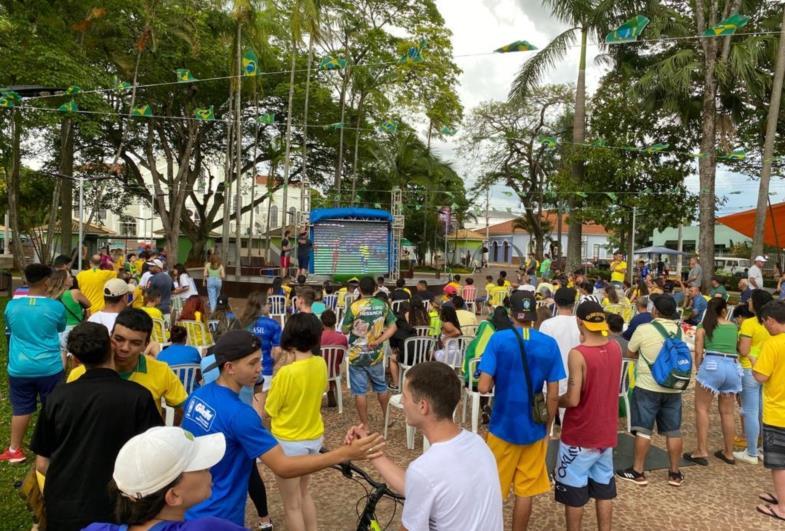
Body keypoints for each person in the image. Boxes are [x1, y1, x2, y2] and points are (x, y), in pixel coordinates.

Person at [180, 330, 385, 526]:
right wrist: (344, 453)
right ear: (230, 367)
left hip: (191, 506)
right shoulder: (240, 414)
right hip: (221, 514)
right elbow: (283, 467)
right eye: (252, 363)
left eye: (260, 360)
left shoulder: (198, 395)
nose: (260, 368)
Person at [31, 322, 163, 530]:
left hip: (63, 507)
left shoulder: (58, 397)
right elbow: (156, 454)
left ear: (75, 359)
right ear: (111, 346)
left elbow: (41, 463)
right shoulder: (138, 397)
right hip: (117, 509)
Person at [345, 362, 504, 530]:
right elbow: (424, 487)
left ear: (422, 406)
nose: (402, 402)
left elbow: (424, 482)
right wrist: (370, 449)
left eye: (404, 397)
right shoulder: (477, 443)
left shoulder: (425, 470)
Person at [478, 291, 565, 531]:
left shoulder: (498, 339)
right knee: (525, 491)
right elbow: (554, 393)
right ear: (533, 314)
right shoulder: (549, 344)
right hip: (534, 428)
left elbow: (484, 386)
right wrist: (547, 426)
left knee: (494, 489)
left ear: (510, 313)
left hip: (502, 425)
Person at [83, 426, 244, 531]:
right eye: (200, 466)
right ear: (173, 496)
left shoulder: (94, 529)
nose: (209, 468)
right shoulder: (207, 527)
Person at [556, 302, 622, 531]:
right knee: (604, 490)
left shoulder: (578, 354)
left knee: (574, 492)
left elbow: (573, 399)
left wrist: (554, 400)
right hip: (605, 433)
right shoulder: (615, 348)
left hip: (579, 434)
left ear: (579, 322)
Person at [264, 314, 328, 531]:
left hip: (289, 443)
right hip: (313, 438)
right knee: (304, 493)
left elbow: (270, 409)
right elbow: (322, 392)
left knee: (291, 505)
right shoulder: (320, 362)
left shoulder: (285, 374)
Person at [616, 294, 686, 487]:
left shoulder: (644, 329)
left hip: (648, 385)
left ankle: (638, 471)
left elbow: (630, 352)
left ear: (655, 311)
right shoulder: (679, 331)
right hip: (673, 387)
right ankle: (675, 472)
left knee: (644, 430)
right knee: (673, 431)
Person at [68, 309, 188, 419]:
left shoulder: (161, 371)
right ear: (110, 337)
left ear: (146, 345)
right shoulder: (81, 374)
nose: (125, 348)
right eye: (119, 339)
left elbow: (185, 408)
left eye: (135, 343)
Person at [1, 264, 66, 463]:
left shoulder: (12, 305)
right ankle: (55, 449)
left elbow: (10, 328)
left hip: (20, 367)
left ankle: (15, 449)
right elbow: (60, 327)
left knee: (21, 408)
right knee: (52, 409)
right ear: (47, 282)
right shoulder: (55, 306)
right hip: (49, 367)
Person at [683, 298, 741, 467]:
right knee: (728, 413)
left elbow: (698, 352)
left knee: (702, 409)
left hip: (712, 364)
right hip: (732, 366)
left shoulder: (703, 327)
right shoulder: (733, 326)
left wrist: (699, 369)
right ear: (724, 310)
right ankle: (729, 453)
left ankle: (702, 450)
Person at [342, 276, 398, 428]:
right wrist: (380, 340)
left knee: (360, 391)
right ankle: (386, 419)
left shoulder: (354, 307)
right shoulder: (383, 305)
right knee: (381, 387)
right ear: (375, 289)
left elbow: (344, 329)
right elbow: (393, 327)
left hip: (357, 354)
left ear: (359, 289)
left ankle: (365, 425)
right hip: (376, 354)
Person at [751, 301, 785, 521]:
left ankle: (782, 508)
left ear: (771, 320)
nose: (765, 327)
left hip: (778, 411)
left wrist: (754, 362)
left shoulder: (773, 344)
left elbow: (761, 376)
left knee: (779, 463)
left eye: (765, 323)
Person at [735, 289, 774, 464]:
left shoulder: (749, 324)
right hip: (768, 369)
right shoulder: (773, 323)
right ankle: (764, 449)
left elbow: (743, 350)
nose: (748, 302)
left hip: (749, 368)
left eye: (750, 300)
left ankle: (751, 451)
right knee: (762, 411)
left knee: (750, 411)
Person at [539, 287, 581, 414]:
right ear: (573, 304)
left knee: (548, 420)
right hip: (576, 377)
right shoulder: (580, 323)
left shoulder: (547, 324)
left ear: (556, 303)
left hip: (553, 377)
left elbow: (542, 352)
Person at [244, 292, 282, 414]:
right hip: (263, 367)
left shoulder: (241, 322)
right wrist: (272, 362)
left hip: (242, 367)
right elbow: (278, 350)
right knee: (259, 407)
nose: (270, 306)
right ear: (261, 306)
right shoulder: (273, 324)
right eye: (268, 304)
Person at [47, 269, 90, 354]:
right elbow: (88, 304)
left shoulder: (50, 296)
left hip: (57, 331)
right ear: (64, 280)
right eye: (69, 277)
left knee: (61, 355)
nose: (72, 278)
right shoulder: (75, 293)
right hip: (74, 329)